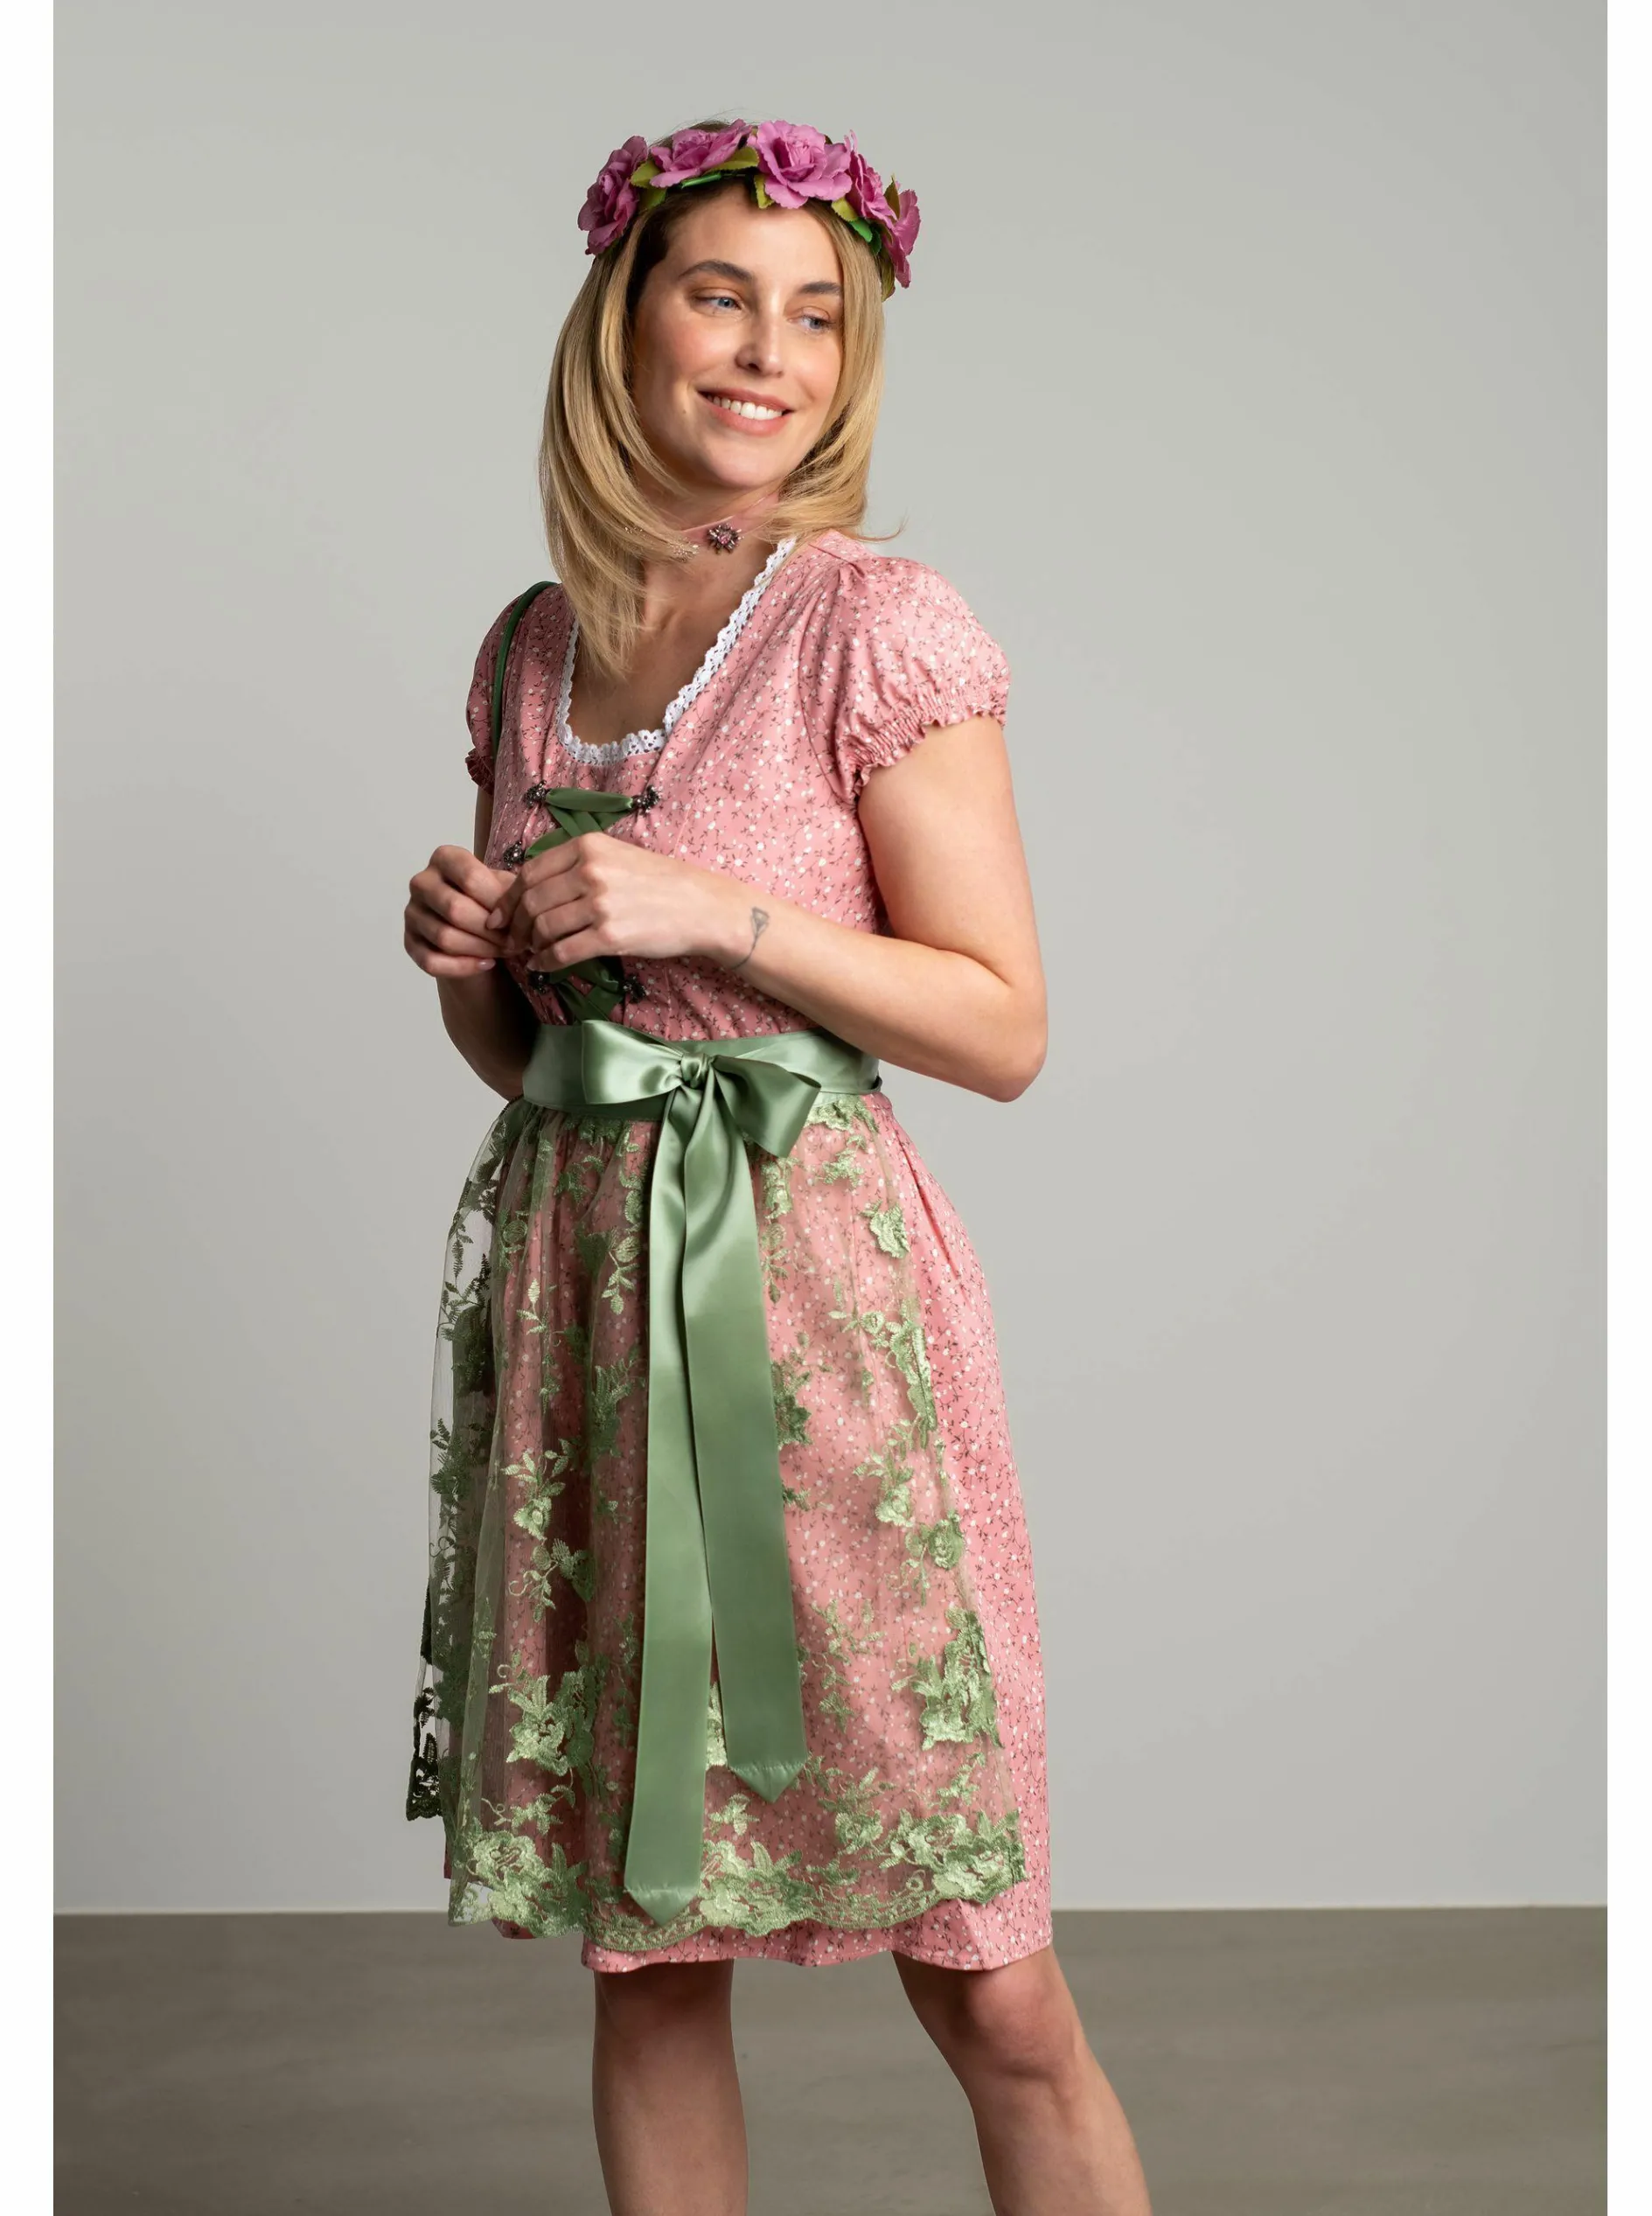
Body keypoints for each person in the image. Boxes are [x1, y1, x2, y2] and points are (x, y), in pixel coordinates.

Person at [401, 116, 1154, 2216]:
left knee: (988, 1976)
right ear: (621, 322)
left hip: (816, 1333)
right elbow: (545, 1064)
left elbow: (997, 1023)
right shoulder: (532, 647)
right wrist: (472, 967)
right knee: (645, 1957)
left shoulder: (869, 625)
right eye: (720, 295)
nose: (766, 352)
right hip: (590, 1321)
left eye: (815, 316)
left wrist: (718, 912)